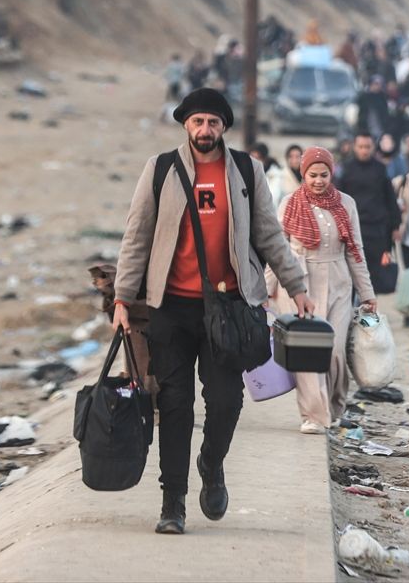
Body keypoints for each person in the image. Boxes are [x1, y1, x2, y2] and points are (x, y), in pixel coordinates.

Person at [112, 88, 314, 535]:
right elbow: (136, 236)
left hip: (229, 308)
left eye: (214, 123)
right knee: (175, 403)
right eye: (199, 122)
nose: (206, 130)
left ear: (224, 127)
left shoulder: (245, 170)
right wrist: (123, 298)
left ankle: (212, 461)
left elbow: (268, 234)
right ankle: (172, 504)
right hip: (172, 308)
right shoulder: (160, 169)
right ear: (186, 124)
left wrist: (296, 286)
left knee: (225, 401)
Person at [271, 147, 375, 434]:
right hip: (298, 286)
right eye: (312, 175)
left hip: (339, 285)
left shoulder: (346, 204)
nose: (318, 181)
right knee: (307, 353)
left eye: (324, 175)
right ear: (303, 174)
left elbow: (356, 252)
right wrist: (267, 291)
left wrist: (367, 293)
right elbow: (276, 252)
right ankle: (314, 416)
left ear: (332, 174)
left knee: (335, 352)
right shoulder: (288, 203)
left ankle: (335, 406)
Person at [339, 133, 402, 296]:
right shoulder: (347, 169)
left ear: (373, 147)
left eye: (367, 147)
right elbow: (338, 198)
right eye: (361, 147)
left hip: (377, 230)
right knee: (351, 271)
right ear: (354, 147)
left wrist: (395, 225)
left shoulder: (380, 169)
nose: (364, 151)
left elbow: (390, 198)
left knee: (374, 274)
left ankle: (369, 310)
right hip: (352, 228)